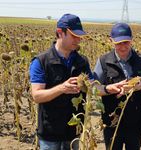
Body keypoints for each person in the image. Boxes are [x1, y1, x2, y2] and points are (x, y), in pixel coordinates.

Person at [29, 13, 93, 150]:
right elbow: (36, 96)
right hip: (50, 131)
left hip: (74, 131)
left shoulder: (82, 62)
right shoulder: (41, 61)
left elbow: (93, 87)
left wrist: (110, 88)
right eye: (73, 35)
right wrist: (61, 88)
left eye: (79, 36)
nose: (78, 39)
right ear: (60, 33)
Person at [94, 23, 141, 150]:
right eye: (118, 43)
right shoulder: (103, 61)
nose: (123, 47)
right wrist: (108, 89)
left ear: (132, 40)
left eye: (126, 42)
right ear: (111, 41)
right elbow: (94, 88)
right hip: (111, 122)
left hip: (136, 121)